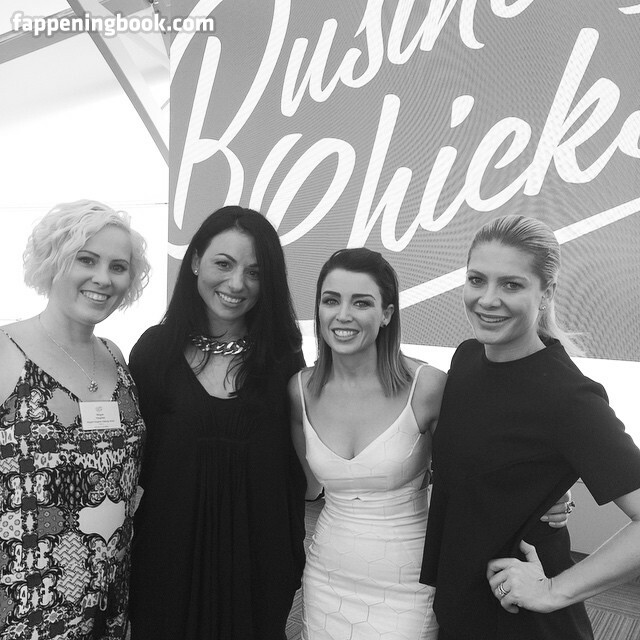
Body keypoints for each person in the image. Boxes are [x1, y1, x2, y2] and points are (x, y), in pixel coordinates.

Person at [289, 248, 571, 640]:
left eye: (362, 302)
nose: (343, 315)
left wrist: (546, 494)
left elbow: (478, 467)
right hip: (326, 572)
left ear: (387, 313)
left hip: (408, 582)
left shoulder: (427, 387)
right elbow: (308, 488)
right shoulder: (299, 390)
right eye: (331, 300)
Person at [420, 214, 640, 640]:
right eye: (477, 280)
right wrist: (539, 487)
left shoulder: (568, 397)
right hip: (461, 606)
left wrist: (554, 591)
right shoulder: (466, 357)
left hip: (522, 622)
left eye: (511, 285)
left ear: (547, 292)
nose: (487, 299)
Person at [127, 205, 306, 640]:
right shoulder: (154, 351)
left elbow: (292, 468)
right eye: (223, 264)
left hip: (257, 564)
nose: (237, 284)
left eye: (254, 272)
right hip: (167, 561)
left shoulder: (283, 357)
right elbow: (134, 461)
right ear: (194, 262)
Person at [0, 200, 149, 639]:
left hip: (107, 603)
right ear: (53, 260)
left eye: (118, 267)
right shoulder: (6, 352)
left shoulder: (116, 357)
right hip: (25, 607)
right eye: (86, 260)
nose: (103, 278)